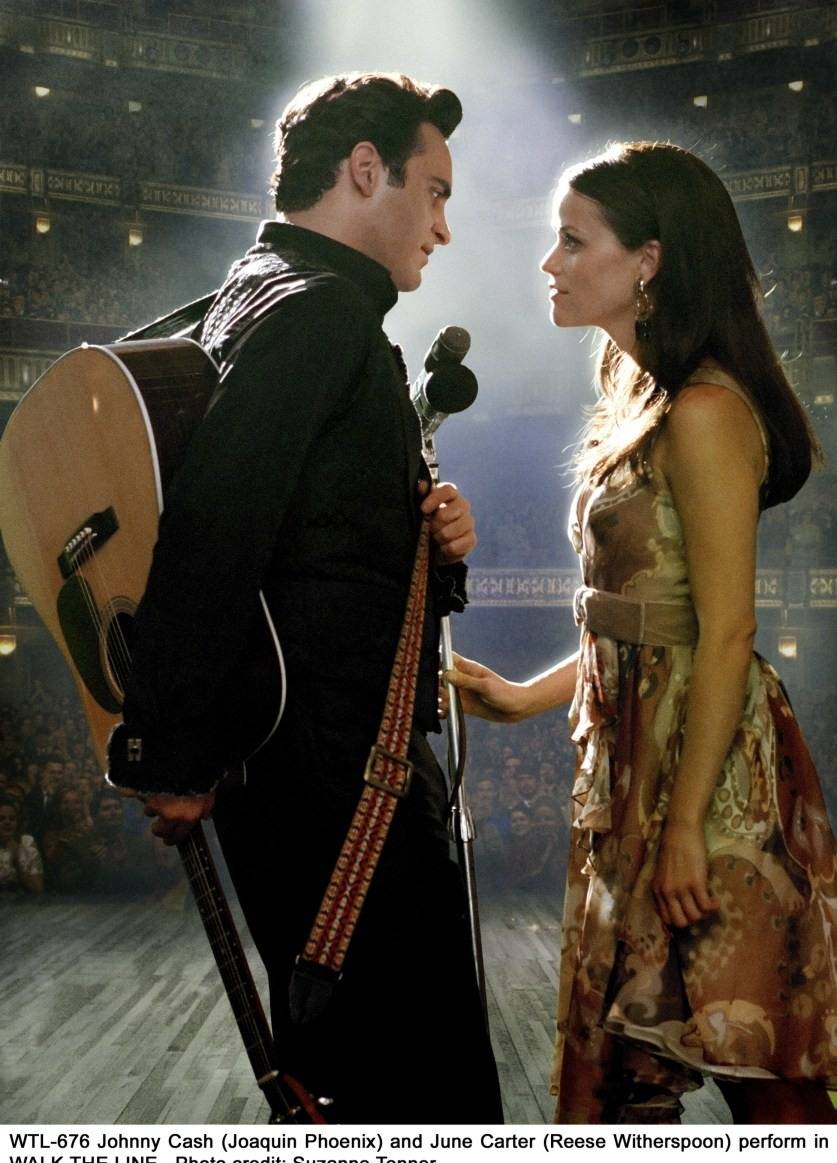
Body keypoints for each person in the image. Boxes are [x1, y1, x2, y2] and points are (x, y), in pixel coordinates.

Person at [107, 72, 501, 1124]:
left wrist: (432, 539)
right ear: (366, 171)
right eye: (434, 191)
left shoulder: (260, 292)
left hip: (315, 771)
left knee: (363, 1082)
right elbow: (214, 528)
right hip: (343, 784)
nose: (444, 227)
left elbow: (313, 540)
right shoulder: (320, 313)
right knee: (425, 1096)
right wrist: (171, 753)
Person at [446, 142, 836, 1124]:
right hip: (631, 775)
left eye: (574, 241)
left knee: (760, 1063)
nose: (550, 262)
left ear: (648, 261)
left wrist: (687, 827)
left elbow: (726, 630)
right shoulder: (642, 399)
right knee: (621, 1079)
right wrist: (522, 696)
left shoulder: (704, 411)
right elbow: (644, 622)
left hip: (707, 782)